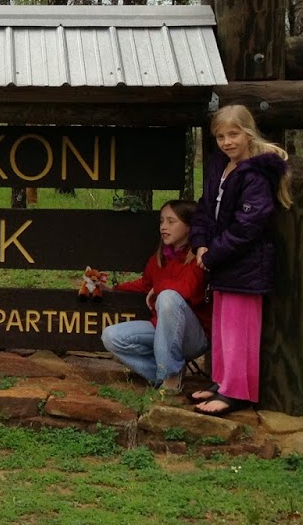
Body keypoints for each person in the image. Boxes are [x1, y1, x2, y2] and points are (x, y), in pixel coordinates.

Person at [189, 105, 291, 416]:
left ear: (248, 133)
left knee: (239, 330)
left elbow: (249, 225)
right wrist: (201, 245)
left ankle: (237, 392)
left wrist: (215, 253)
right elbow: (206, 209)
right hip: (221, 262)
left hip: (244, 265)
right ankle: (221, 382)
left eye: (233, 134)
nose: (227, 142)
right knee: (223, 328)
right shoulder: (222, 168)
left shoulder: (256, 174)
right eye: (220, 136)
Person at [99, 200, 210, 391]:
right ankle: (167, 372)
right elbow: (145, 285)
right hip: (161, 331)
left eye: (171, 221)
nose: (163, 227)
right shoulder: (159, 258)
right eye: (161, 221)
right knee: (111, 336)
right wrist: (112, 289)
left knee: (167, 297)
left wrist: (159, 289)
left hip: (194, 335)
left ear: (189, 227)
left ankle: (170, 377)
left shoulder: (198, 258)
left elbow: (188, 290)